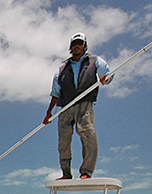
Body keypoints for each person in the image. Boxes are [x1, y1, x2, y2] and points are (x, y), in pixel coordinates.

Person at [42, 32, 113, 180]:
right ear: (70, 47)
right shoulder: (61, 69)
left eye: (79, 43)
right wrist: (48, 113)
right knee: (63, 141)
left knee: (88, 135)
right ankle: (66, 174)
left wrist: (105, 79)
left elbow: (108, 74)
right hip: (66, 106)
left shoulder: (95, 61)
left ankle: (86, 172)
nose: (76, 46)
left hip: (84, 104)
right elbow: (55, 93)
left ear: (85, 46)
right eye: (74, 44)